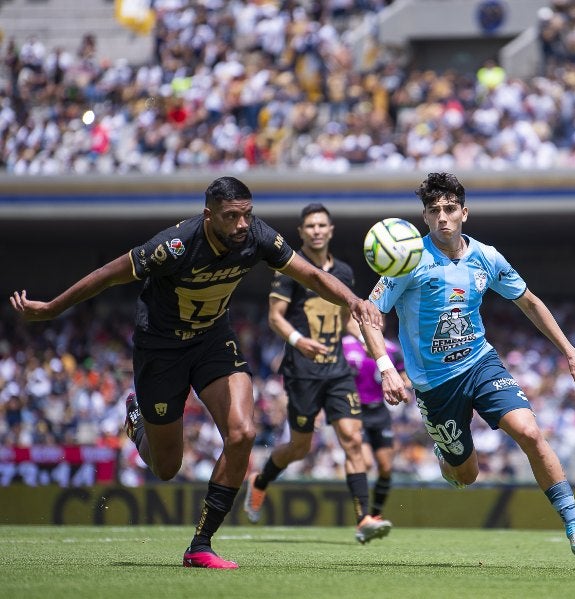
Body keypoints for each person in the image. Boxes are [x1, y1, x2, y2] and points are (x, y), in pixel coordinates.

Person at [8, 177, 382, 569]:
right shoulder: (175, 245)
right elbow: (108, 273)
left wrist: (355, 302)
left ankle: (200, 544)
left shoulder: (258, 236)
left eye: (246, 215)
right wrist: (52, 308)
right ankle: (138, 422)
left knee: (243, 433)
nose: (242, 225)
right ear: (209, 216)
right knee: (167, 468)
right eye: (231, 217)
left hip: (212, 342)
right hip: (161, 349)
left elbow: (312, 276)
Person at [357, 172, 575, 565]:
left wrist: (571, 352)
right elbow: (368, 315)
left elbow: (530, 303)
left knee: (530, 432)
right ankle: (447, 454)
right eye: (434, 211)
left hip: (480, 363)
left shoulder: (487, 257)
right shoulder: (407, 261)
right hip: (436, 386)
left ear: (464, 213)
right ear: (424, 217)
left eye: (450, 209)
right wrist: (386, 367)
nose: (443, 218)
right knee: (465, 476)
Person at [243, 203, 392, 544]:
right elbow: (275, 317)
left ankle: (363, 518)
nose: (316, 230)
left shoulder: (344, 272)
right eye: (310, 226)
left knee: (353, 439)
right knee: (299, 447)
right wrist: (299, 341)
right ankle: (260, 481)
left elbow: (346, 318)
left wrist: (366, 340)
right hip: (302, 371)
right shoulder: (290, 268)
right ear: (302, 232)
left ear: (330, 229)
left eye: (321, 225)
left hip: (337, 371)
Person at [342, 318, 410, 523]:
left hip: (379, 411)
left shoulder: (391, 349)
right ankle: (361, 515)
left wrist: (404, 384)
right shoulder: (345, 345)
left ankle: (375, 513)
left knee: (386, 467)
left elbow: (403, 374)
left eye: (380, 321)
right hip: (354, 410)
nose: (377, 325)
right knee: (366, 462)